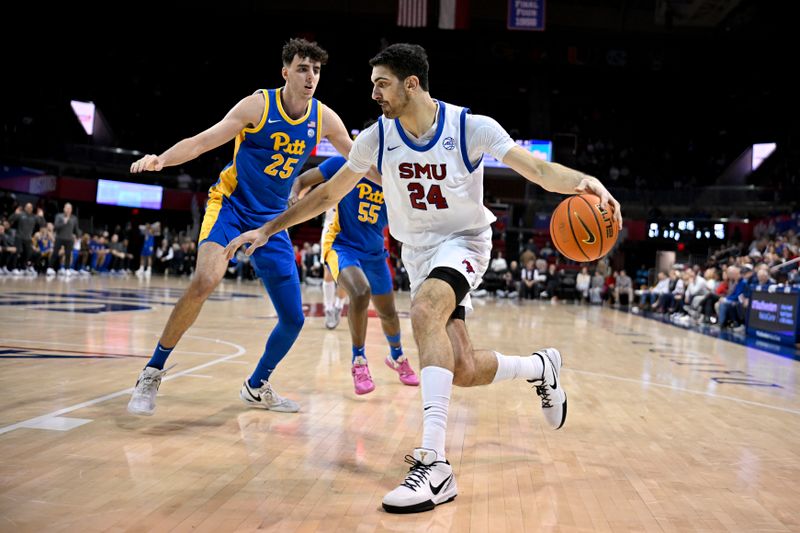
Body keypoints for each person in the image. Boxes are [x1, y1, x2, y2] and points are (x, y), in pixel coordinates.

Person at [223, 43, 621, 513]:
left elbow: (534, 169)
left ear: (411, 84)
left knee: (427, 311)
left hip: (465, 242)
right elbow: (329, 192)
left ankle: (435, 465)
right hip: (418, 253)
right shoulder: (377, 137)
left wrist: (582, 181)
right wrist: (269, 227)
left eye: (382, 83)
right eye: (373, 83)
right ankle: (541, 367)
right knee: (464, 368)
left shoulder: (469, 128)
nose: (373, 92)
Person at [126, 38, 356, 416]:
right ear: (285, 72)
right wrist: (161, 160)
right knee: (205, 281)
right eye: (302, 68)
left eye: (315, 70)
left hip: (273, 221)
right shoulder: (258, 105)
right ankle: (152, 371)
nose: (310, 76)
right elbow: (204, 141)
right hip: (231, 206)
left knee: (294, 318)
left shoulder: (325, 118)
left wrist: (399, 184)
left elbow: (357, 158)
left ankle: (256, 385)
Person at [291, 156, 419, 395]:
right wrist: (293, 193)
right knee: (360, 292)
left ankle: (397, 356)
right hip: (341, 245)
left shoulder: (396, 174)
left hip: (374, 251)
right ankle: (358, 361)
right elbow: (301, 180)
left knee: (388, 313)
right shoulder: (344, 162)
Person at [9, 203, 45, 276]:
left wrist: (41, 216)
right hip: (19, 237)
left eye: (30, 207)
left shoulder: (35, 217)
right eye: (27, 207)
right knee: (17, 252)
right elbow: (10, 219)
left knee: (28, 254)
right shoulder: (20, 214)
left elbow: (43, 224)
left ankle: (23, 268)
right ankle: (14, 268)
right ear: (25, 208)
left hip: (28, 238)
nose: (29, 208)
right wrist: (15, 213)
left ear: (32, 208)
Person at [48, 202, 80, 275]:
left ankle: (67, 269)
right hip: (59, 237)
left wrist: (78, 236)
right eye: (67, 208)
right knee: (55, 253)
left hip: (69, 239)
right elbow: (55, 227)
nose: (68, 210)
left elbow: (76, 229)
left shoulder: (74, 218)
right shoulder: (59, 216)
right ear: (64, 209)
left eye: (70, 208)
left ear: (71, 210)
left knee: (68, 254)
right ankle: (50, 268)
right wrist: (64, 222)